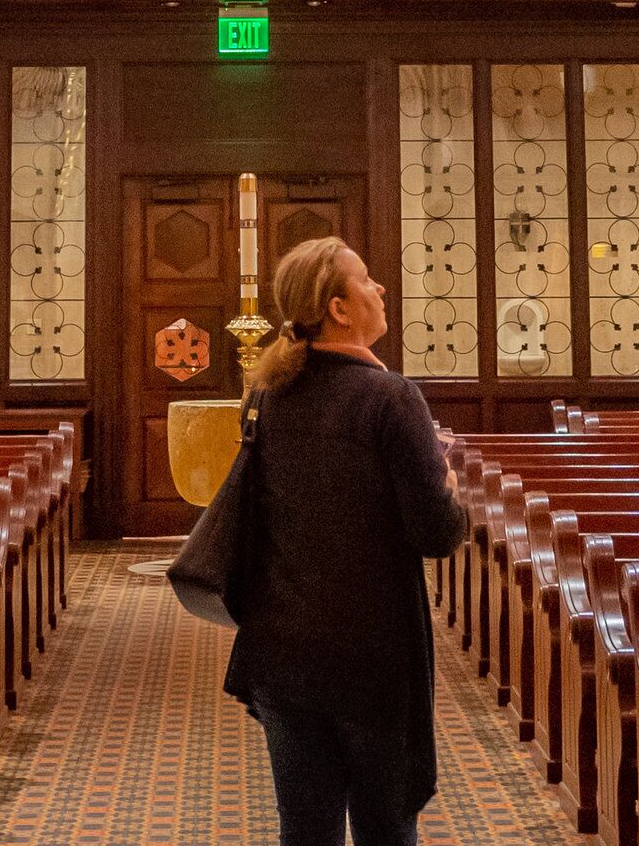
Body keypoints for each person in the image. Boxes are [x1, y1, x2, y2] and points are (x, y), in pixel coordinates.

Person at [217, 234, 464, 846]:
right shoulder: (390, 398)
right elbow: (435, 534)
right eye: (366, 280)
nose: (380, 288)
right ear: (338, 308)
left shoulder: (270, 397)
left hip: (283, 652)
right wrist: (450, 488)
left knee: (305, 831)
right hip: (370, 656)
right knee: (385, 830)